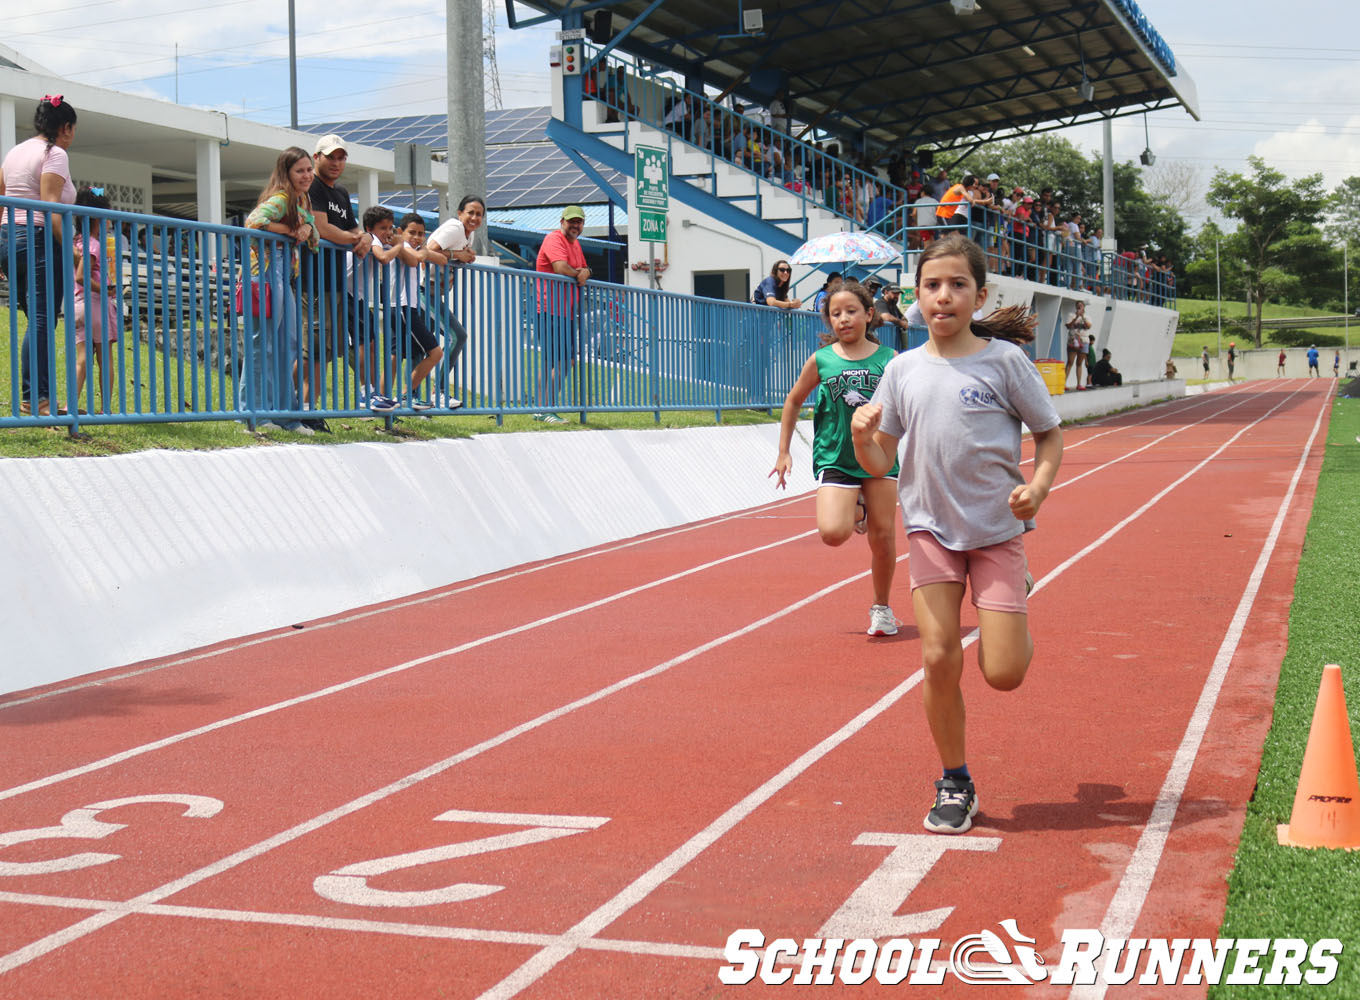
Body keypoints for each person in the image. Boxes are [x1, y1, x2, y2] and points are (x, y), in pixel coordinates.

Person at [850, 233, 1063, 834]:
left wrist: (1039, 488)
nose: (943, 297)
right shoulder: (901, 369)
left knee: (1004, 673)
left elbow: (1049, 435)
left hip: (996, 530)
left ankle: (1014, 590)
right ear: (915, 297)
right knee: (939, 656)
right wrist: (866, 438)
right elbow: (880, 463)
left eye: (957, 285)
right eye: (932, 286)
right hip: (930, 529)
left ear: (979, 294)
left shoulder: (1004, 362)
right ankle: (955, 781)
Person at [771, 278, 900, 637]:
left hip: (880, 458)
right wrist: (783, 452)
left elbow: (911, 405)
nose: (843, 319)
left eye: (851, 312)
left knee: (883, 536)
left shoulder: (890, 360)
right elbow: (794, 400)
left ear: (869, 314)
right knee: (832, 533)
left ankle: (882, 608)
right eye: (835, 314)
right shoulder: (822, 360)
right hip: (836, 456)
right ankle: (857, 507)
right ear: (828, 320)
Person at [0, 95, 78, 417]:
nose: (73, 136)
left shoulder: (14, 152)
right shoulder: (54, 153)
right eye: (73, 129)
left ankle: (37, 397)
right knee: (43, 321)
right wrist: (73, 250)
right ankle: (38, 400)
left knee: (37, 321)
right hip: (37, 239)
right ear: (65, 128)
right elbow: (50, 208)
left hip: (7, 239)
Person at [241, 146, 320, 433]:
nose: (307, 175)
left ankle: (286, 414)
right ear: (286, 174)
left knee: (287, 345)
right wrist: (290, 230)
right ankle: (256, 414)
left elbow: (314, 236)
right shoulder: (282, 198)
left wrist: (307, 229)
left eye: (309, 169)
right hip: (264, 273)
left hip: (283, 274)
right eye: (300, 170)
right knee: (265, 345)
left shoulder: (301, 202)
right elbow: (253, 221)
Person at [306, 134, 372, 417]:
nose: (336, 162)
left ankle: (308, 409)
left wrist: (365, 238)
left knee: (328, 350)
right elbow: (323, 229)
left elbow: (353, 228)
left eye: (341, 157)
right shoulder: (313, 187)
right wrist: (354, 239)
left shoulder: (341, 193)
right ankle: (302, 408)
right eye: (330, 156)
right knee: (315, 350)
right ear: (316, 158)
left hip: (334, 283)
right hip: (311, 280)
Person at [425, 194, 488, 409]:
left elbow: (455, 255)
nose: (474, 217)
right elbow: (428, 249)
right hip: (423, 289)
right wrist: (456, 254)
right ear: (460, 213)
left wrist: (464, 254)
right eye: (470, 212)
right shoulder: (455, 228)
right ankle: (437, 391)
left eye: (479, 214)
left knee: (417, 347)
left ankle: (415, 396)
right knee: (456, 336)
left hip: (433, 291)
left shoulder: (467, 235)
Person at [534, 205, 592, 422]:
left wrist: (585, 272)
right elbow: (560, 267)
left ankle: (545, 407)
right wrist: (581, 273)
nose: (575, 225)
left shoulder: (575, 244)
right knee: (556, 361)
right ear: (562, 222)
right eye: (571, 221)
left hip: (565, 312)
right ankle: (542, 409)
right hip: (550, 309)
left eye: (579, 222)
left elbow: (585, 269)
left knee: (562, 361)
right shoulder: (554, 239)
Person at [344, 206, 400, 413]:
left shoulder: (378, 241)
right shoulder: (371, 239)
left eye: (390, 228)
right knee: (363, 343)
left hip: (356, 297)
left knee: (371, 342)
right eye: (383, 228)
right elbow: (384, 258)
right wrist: (400, 245)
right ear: (369, 228)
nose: (388, 232)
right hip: (346, 295)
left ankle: (373, 391)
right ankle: (366, 391)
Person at [70, 185, 119, 414]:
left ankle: (72, 405)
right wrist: (106, 290)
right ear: (99, 218)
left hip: (77, 305)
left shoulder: (75, 241)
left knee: (81, 359)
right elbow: (82, 276)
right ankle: (105, 409)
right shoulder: (93, 244)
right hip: (95, 305)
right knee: (105, 359)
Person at [390, 213, 444, 410]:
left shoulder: (411, 247)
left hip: (407, 307)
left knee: (397, 354)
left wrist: (426, 251)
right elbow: (418, 259)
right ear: (399, 232)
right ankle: (403, 395)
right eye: (412, 232)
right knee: (435, 353)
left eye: (421, 234)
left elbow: (441, 260)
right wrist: (423, 251)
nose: (417, 237)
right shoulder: (402, 247)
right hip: (403, 307)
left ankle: (394, 397)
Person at [873, 283, 911, 351]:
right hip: (882, 344)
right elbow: (886, 317)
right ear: (886, 292)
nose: (896, 296)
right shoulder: (880, 303)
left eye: (898, 294)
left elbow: (904, 318)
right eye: (894, 293)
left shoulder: (893, 306)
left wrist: (904, 322)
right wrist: (901, 323)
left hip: (892, 346)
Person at [1064, 301, 1091, 390]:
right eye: (1078, 306)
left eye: (1081, 306)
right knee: (1070, 362)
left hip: (1084, 340)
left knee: (1079, 363)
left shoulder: (1087, 317)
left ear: (1083, 307)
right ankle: (1063, 383)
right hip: (1073, 341)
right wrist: (1076, 317)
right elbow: (1068, 325)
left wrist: (1082, 316)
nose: (1079, 307)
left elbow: (1088, 326)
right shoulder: (1071, 315)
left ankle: (1079, 383)